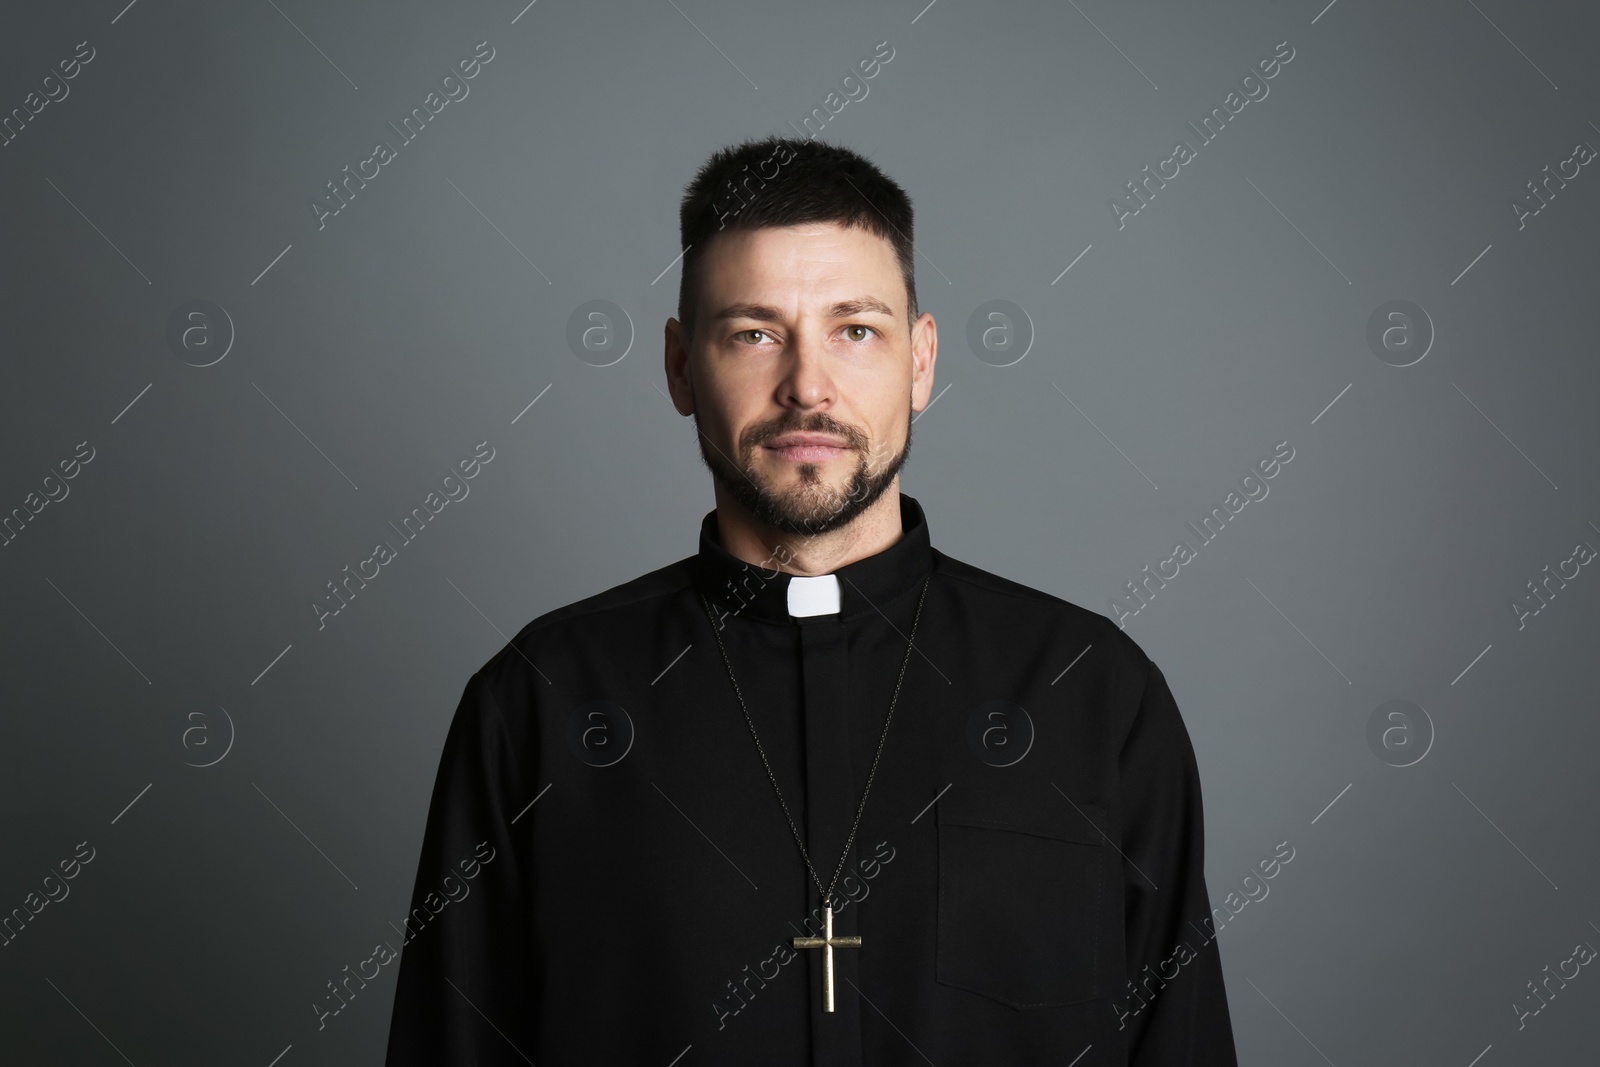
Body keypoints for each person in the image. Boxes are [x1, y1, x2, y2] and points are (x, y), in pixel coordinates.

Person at [384, 135, 1239, 1065]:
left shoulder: (1092, 692)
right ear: (679, 366)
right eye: (754, 332)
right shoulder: (536, 703)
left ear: (921, 361)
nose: (807, 386)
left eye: (855, 329)